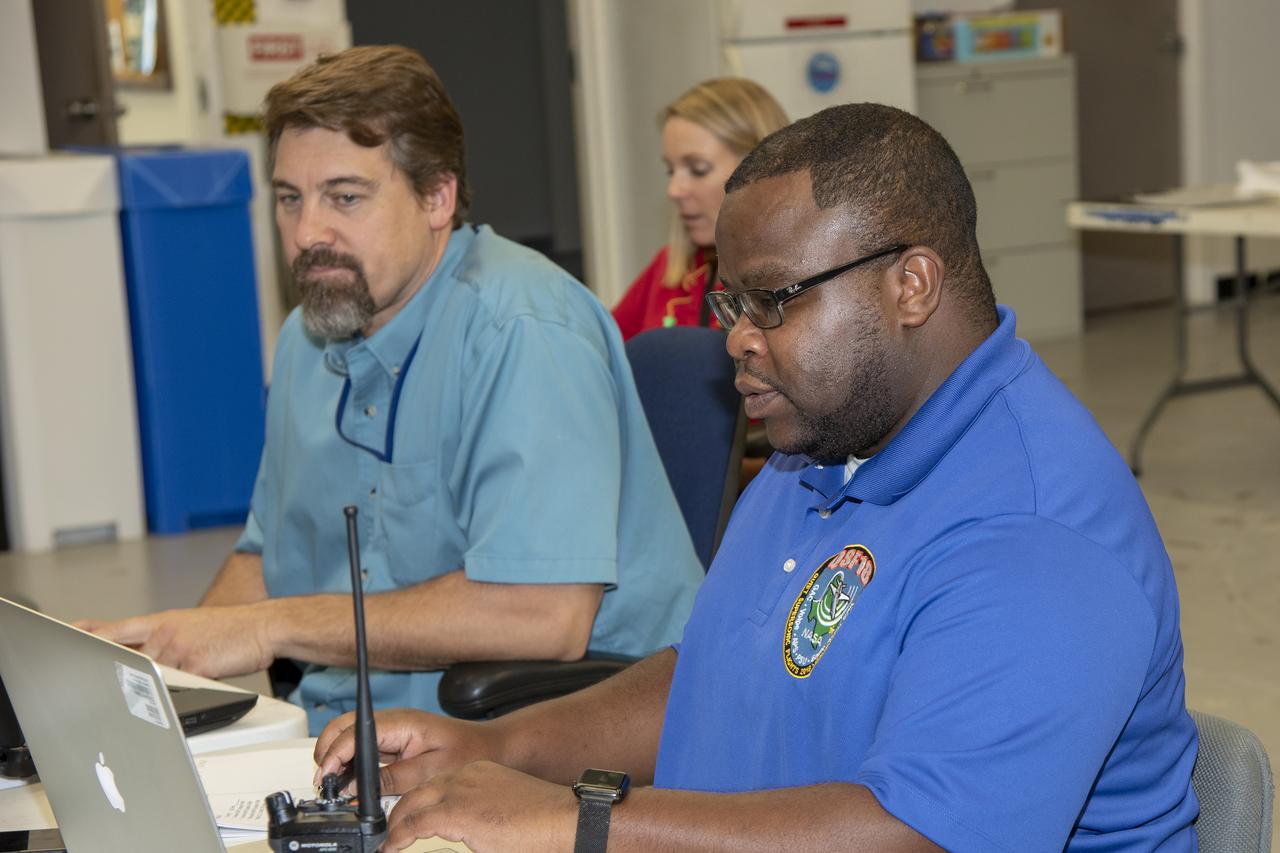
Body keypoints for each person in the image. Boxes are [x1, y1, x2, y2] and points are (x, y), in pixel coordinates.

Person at [313, 103, 1199, 853]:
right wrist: (497, 747)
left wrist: (581, 823)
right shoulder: (817, 441)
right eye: (729, 303)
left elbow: (914, 838)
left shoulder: (1035, 533)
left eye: (772, 300)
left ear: (913, 284)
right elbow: (715, 675)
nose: (738, 336)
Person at [79, 45, 704, 735]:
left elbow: (544, 613)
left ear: (436, 196)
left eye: (345, 197)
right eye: (290, 199)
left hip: (550, 736)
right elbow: (267, 557)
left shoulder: (523, 329)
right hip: (354, 729)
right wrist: (158, 671)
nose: (308, 232)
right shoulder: (304, 341)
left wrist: (266, 628)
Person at [610, 78, 787, 341]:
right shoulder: (669, 269)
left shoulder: (798, 281)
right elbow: (598, 351)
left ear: (758, 170)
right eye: (671, 171)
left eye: (697, 169)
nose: (674, 190)